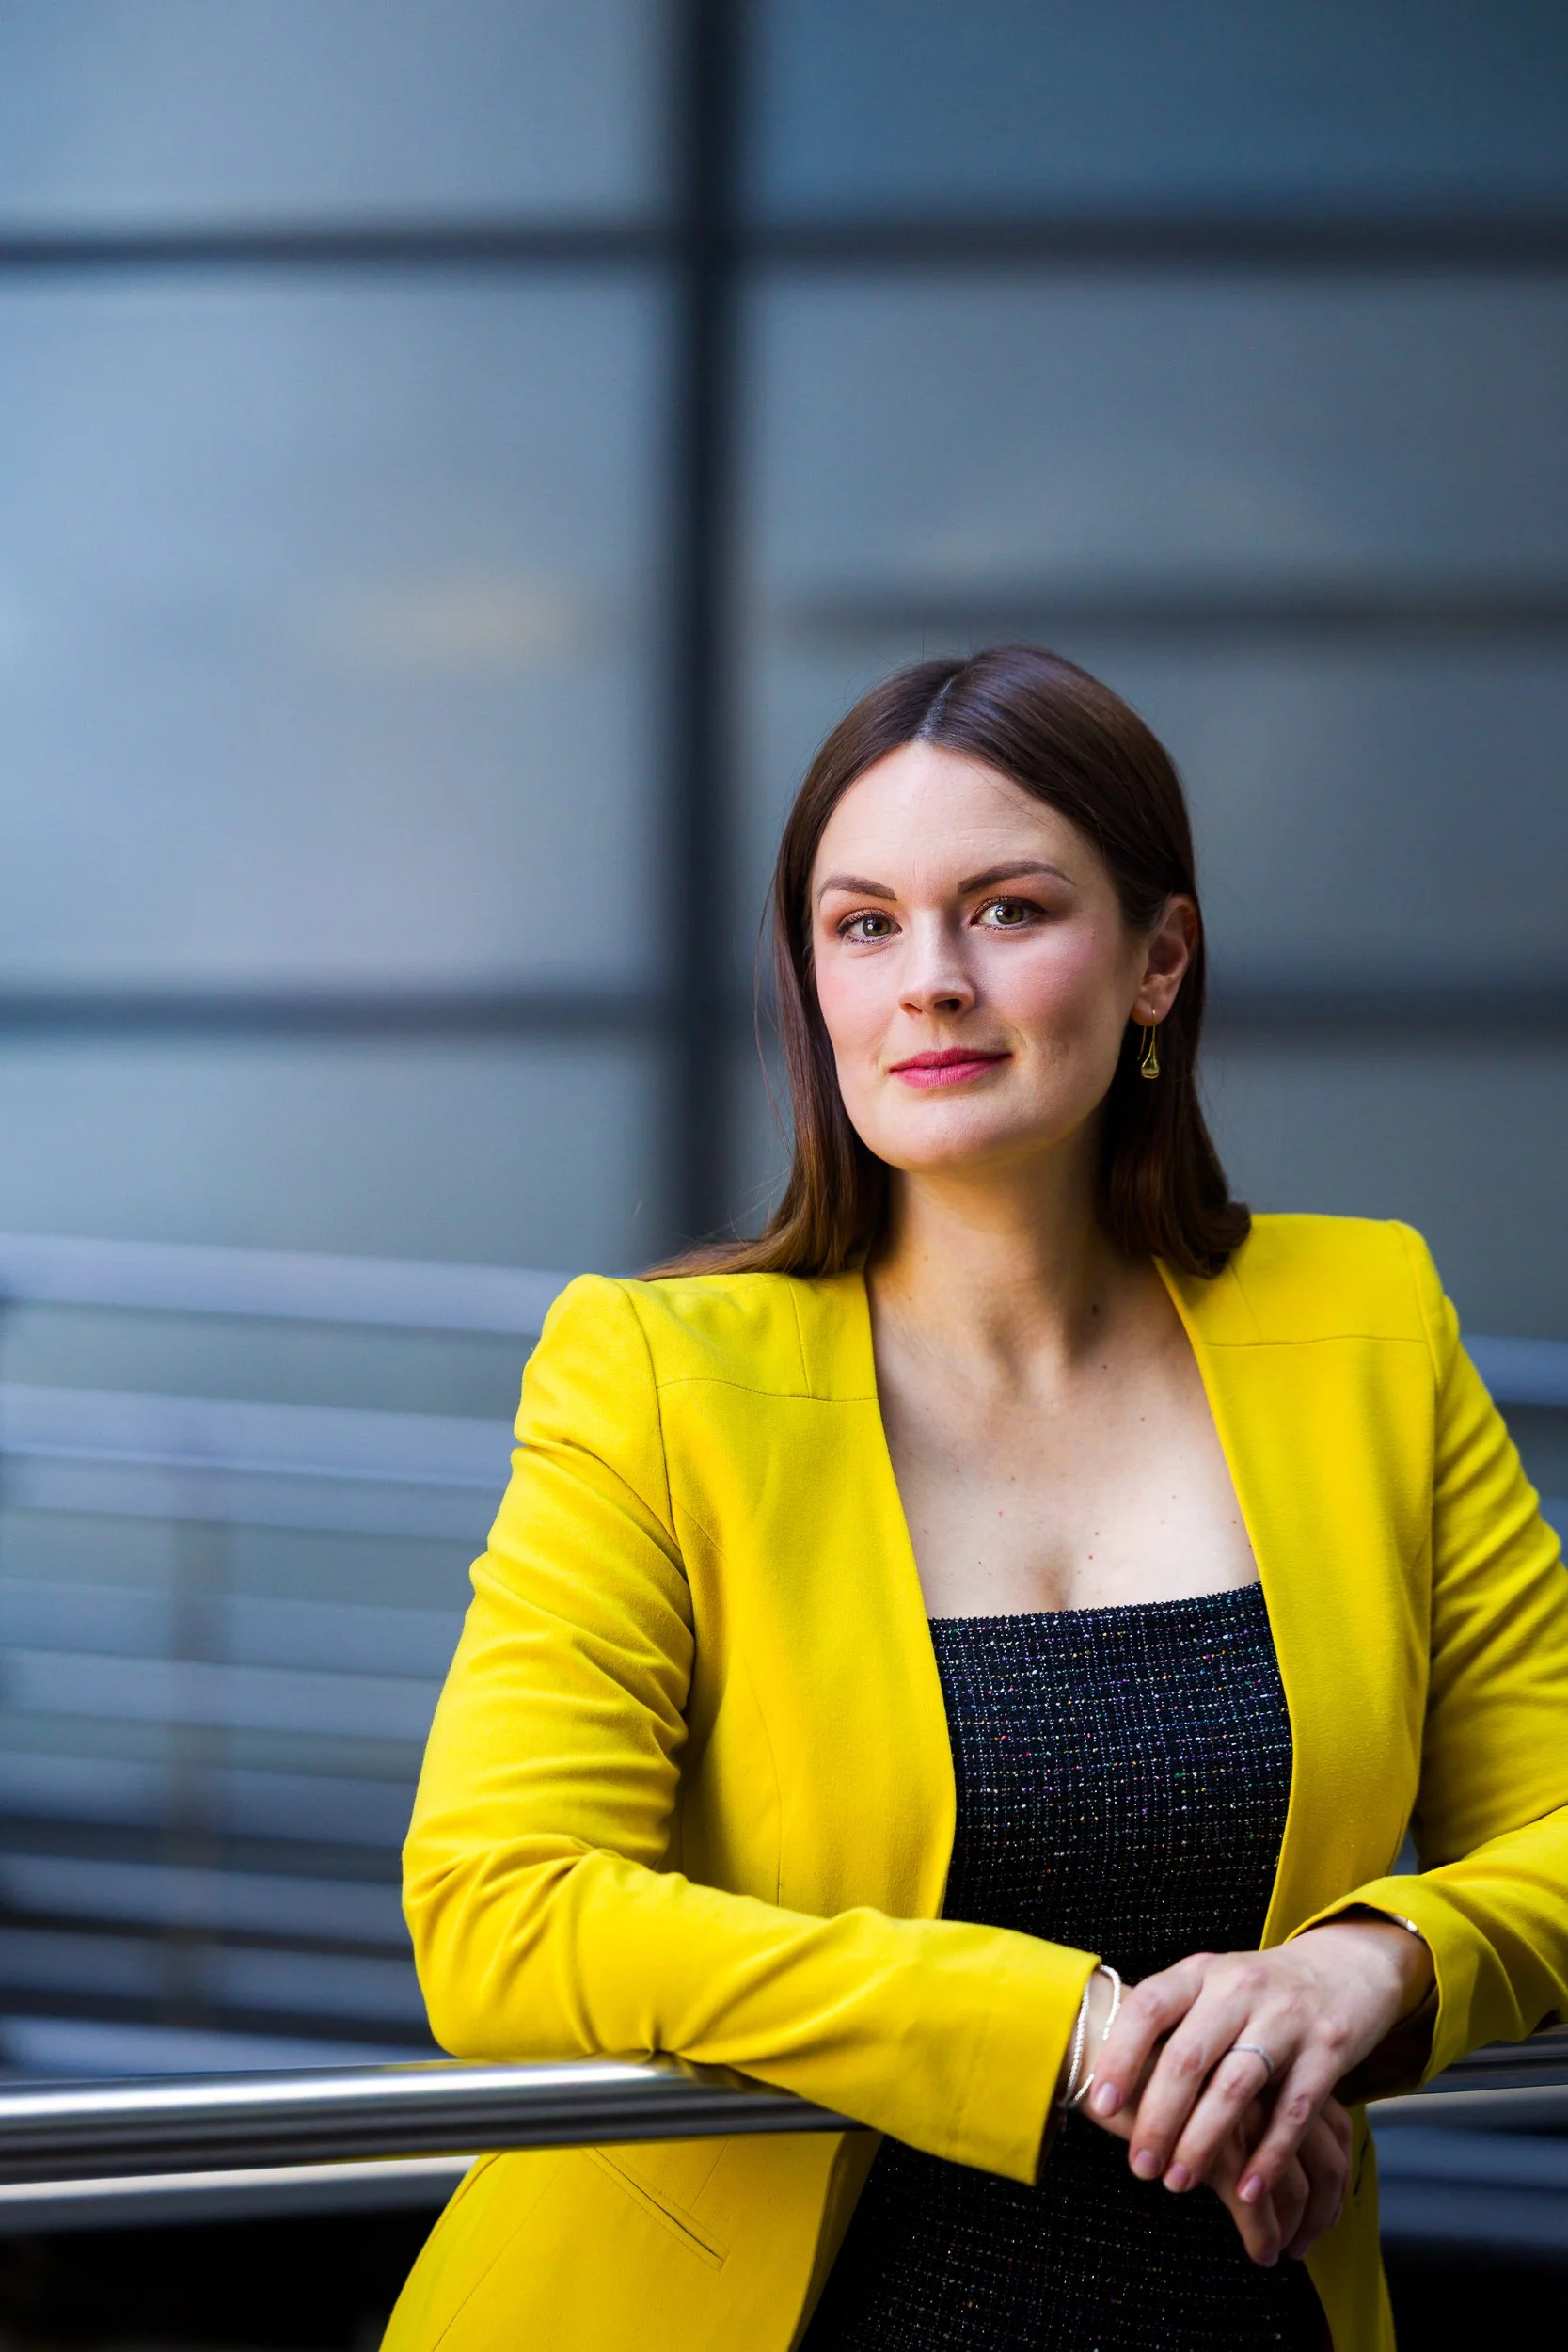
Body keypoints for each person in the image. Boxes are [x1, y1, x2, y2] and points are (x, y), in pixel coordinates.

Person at [383, 646, 1568, 2352]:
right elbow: (498, 1908)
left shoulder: (1366, 1324)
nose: (928, 980)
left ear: (1158, 959)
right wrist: (1053, 2032)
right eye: (863, 924)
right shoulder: (652, 1371)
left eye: (1007, 910)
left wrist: (1376, 1963)